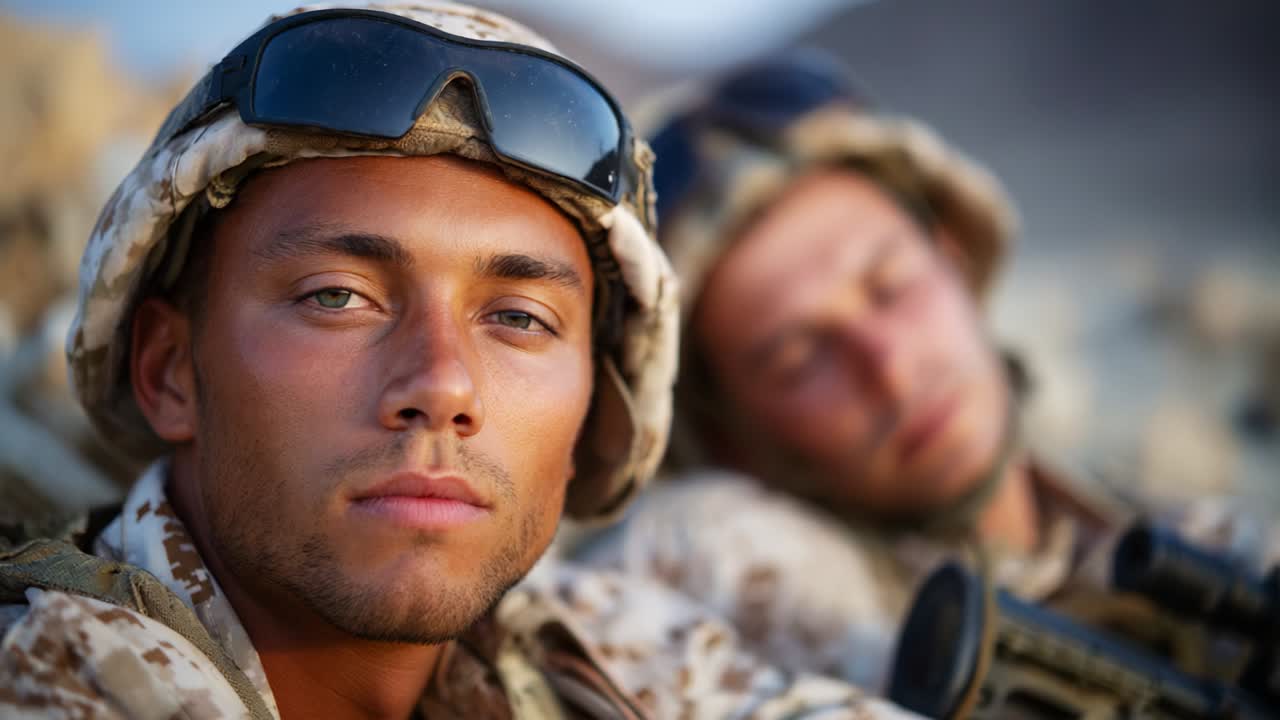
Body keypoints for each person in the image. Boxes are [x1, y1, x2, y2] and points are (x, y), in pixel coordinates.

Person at [0, 11, 922, 719]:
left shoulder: (612, 649)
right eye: (337, 296)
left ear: (593, 412)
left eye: (519, 318)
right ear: (170, 371)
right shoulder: (47, 678)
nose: (441, 384)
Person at [576, 51, 1280, 692]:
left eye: (891, 285)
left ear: (954, 256)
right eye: (797, 355)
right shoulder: (720, 578)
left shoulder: (1208, 548)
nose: (887, 364)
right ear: (729, 441)